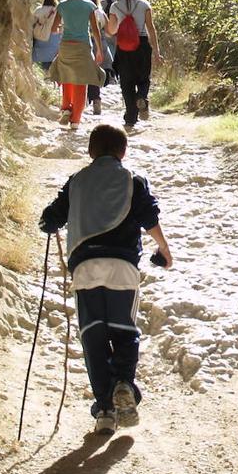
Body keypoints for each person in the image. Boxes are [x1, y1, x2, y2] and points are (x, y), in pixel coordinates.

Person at [38, 124, 174, 435]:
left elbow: (50, 218)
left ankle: (105, 412)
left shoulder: (76, 182)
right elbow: (149, 218)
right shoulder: (133, 181)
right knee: (125, 332)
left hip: (85, 269)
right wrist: (163, 249)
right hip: (122, 268)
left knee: (94, 338)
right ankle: (124, 382)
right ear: (123, 153)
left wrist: (50, 222)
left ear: (90, 151)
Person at [48, 0, 105, 128]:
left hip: (66, 45)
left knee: (66, 77)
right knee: (81, 81)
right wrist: (99, 49)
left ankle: (66, 108)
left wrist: (64, 27)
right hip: (83, 46)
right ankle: (75, 121)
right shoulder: (89, 5)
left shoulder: (62, 5)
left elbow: (54, 29)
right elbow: (95, 30)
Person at [107, 0, 162, 129]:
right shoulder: (144, 4)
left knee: (126, 82)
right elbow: (151, 28)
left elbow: (111, 30)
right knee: (144, 78)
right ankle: (142, 97)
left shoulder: (115, 6)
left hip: (124, 47)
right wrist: (156, 51)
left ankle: (130, 118)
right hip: (142, 45)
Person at [84, 0, 111, 116]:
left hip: (86, 43)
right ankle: (96, 100)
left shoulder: (83, 11)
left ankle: (86, 100)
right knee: (96, 73)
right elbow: (110, 30)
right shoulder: (100, 12)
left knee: (85, 73)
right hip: (101, 44)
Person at [31, 0, 62, 71]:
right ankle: (47, 73)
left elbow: (32, 22)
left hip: (38, 36)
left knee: (34, 54)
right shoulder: (57, 11)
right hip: (52, 38)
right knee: (49, 60)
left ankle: (32, 68)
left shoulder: (39, 10)